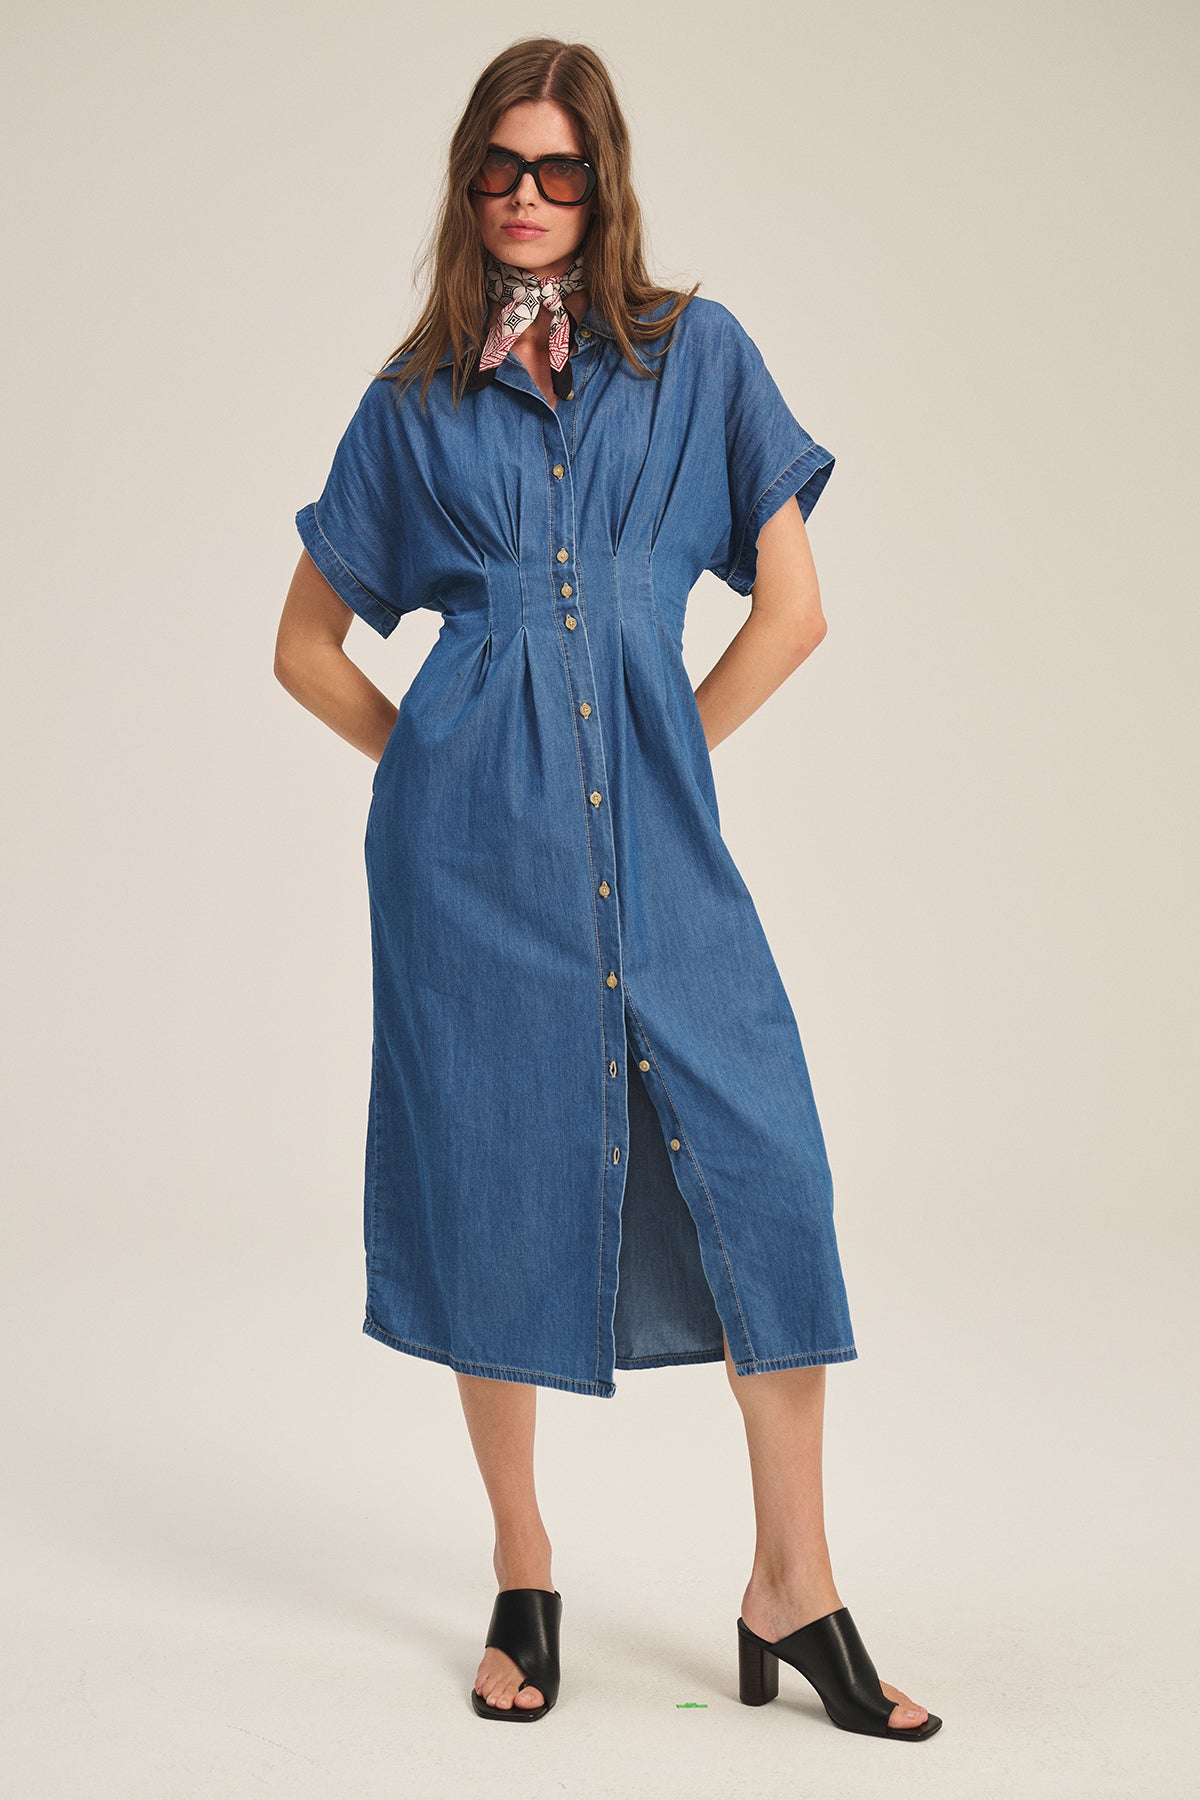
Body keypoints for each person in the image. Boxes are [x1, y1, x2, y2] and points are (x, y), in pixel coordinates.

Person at [274, 36, 941, 1741]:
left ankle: (795, 1581)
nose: (524, 197)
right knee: (496, 1183)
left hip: (663, 862)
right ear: (465, 180)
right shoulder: (414, 400)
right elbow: (302, 645)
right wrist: (432, 776)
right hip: (469, 879)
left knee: (772, 1173)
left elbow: (794, 611)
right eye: (498, 167)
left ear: (606, 180)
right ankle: (522, 1567)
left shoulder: (696, 360)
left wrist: (676, 762)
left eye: (558, 170)